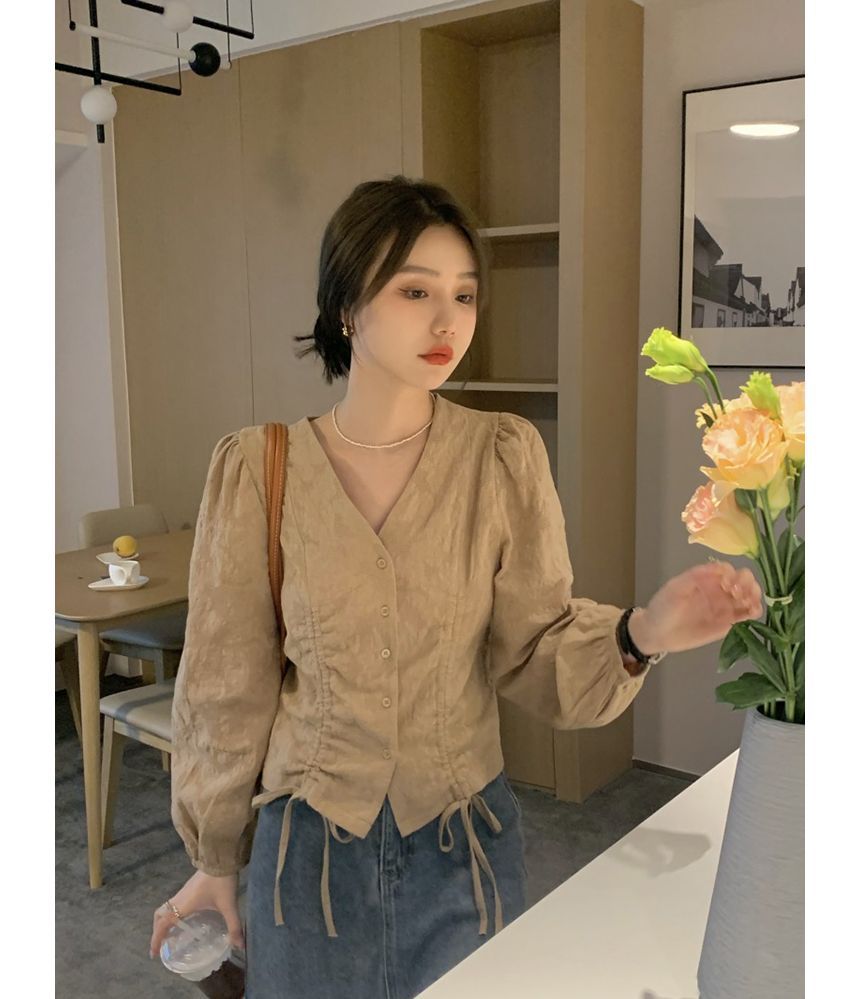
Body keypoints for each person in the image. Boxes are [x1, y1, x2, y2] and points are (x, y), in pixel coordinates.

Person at [148, 175, 763, 997]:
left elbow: (534, 648)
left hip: (463, 851)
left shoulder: (501, 456)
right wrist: (215, 859)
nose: (448, 322)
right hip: (308, 862)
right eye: (415, 291)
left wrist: (641, 632)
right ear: (346, 307)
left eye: (464, 295)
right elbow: (226, 684)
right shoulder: (260, 470)